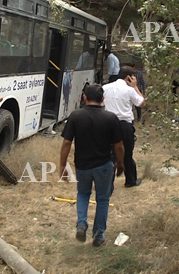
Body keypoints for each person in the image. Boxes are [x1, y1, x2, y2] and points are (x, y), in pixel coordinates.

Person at [59, 84, 125, 247]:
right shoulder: (111, 118)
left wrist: (62, 165)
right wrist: (120, 162)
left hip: (82, 166)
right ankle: (98, 235)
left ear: (84, 98)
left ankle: (81, 223)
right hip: (104, 165)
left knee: (83, 194)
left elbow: (67, 142)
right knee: (102, 199)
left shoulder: (75, 116)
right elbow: (119, 146)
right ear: (103, 100)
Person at [102, 66, 145, 188]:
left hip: (108, 123)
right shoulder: (129, 90)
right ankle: (130, 180)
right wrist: (135, 87)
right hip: (125, 125)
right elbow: (142, 103)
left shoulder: (106, 87)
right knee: (127, 153)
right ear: (129, 77)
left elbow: (100, 103)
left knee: (109, 154)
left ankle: (106, 183)